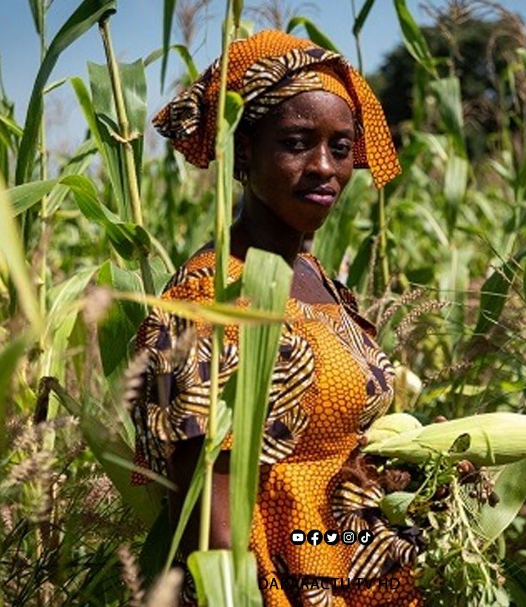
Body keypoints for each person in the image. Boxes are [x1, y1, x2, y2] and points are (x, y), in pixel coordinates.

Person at [131, 30, 422, 607]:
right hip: (276, 587)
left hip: (349, 564)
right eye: (296, 143)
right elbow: (207, 510)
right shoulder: (210, 297)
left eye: (340, 147)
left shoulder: (322, 283)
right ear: (242, 153)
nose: (324, 168)